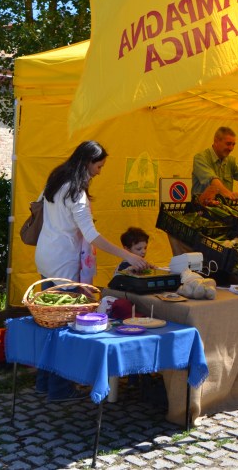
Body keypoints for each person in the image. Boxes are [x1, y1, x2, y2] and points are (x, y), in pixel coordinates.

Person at [34, 140, 148, 401]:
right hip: (63, 264)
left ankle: (44, 382)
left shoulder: (56, 179)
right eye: (99, 166)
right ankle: (60, 389)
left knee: (50, 324)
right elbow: (92, 235)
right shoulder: (77, 193)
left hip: (46, 256)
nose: (99, 171)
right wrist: (128, 255)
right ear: (87, 162)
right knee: (64, 327)